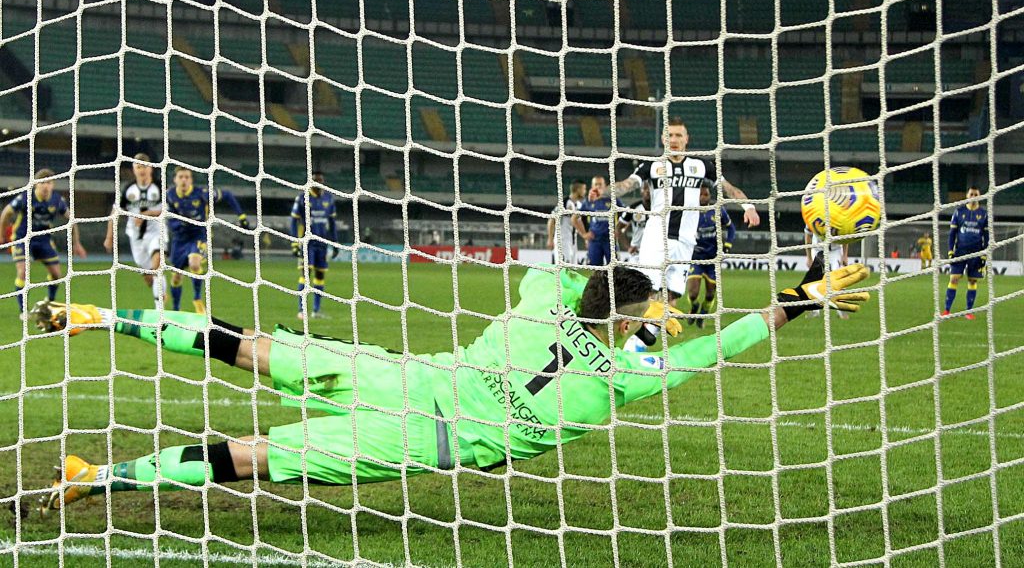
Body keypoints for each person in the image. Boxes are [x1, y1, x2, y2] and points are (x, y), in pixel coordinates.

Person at [24, 255, 868, 514]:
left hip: (406, 374)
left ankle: (103, 316)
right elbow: (727, 342)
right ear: (629, 321)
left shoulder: (542, 295)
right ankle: (98, 477)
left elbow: (575, 278)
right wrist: (801, 297)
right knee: (251, 456)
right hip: (418, 436)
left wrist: (630, 302)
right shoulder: (626, 375)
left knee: (248, 346)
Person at [605, 119, 759, 348]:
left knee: (672, 297)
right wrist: (606, 191)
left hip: (685, 242)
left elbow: (728, 188)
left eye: (678, 135)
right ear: (663, 139)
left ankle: (638, 344)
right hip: (656, 238)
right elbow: (627, 184)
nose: (674, 140)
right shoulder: (652, 166)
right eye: (669, 135)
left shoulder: (702, 166)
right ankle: (619, 334)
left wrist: (748, 206)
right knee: (647, 292)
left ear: (687, 139)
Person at [0, 169, 87, 316]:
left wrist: (76, 243)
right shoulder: (26, 197)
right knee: (23, 271)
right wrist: (1, 234)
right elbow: (6, 213)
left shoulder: (57, 200)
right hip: (22, 238)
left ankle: (49, 302)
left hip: (44, 240)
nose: (46, 186)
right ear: (36, 184)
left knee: (56, 274)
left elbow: (72, 220)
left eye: (49, 182)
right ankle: (23, 311)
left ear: (53, 185)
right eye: (42, 183)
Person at [165, 166, 249, 314]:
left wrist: (241, 216)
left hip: (198, 235)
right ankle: (176, 309)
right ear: (175, 180)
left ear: (191, 180)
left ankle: (197, 299)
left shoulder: (202, 194)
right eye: (180, 177)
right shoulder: (169, 195)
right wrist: (180, 224)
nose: (184, 180)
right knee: (176, 277)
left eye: (187, 177)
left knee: (194, 264)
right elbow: (169, 219)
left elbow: (227, 195)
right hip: (180, 239)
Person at [103, 154, 165, 309]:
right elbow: (115, 214)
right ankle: (159, 292)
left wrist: (147, 214)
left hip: (156, 232)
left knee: (157, 266)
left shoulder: (160, 187)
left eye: (144, 166)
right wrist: (109, 237)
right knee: (149, 277)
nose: (141, 170)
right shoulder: (128, 190)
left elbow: (167, 210)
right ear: (134, 170)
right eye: (138, 167)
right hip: (136, 237)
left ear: (150, 168)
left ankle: (160, 312)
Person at [291, 170, 339, 320]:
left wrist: (335, 242)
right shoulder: (302, 198)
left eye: (320, 180)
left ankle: (316, 310)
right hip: (307, 243)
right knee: (305, 274)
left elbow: (332, 223)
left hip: (322, 244)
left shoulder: (328, 199)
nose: (318, 183)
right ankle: (301, 310)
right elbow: (293, 221)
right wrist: (294, 242)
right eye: (315, 180)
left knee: (320, 275)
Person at [686, 185, 736, 329]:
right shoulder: (690, 211)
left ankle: (703, 314)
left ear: (709, 196)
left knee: (710, 294)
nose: (703, 197)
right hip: (696, 257)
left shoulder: (717, 210)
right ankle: (694, 306)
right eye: (700, 194)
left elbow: (731, 228)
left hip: (713, 259)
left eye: (706, 194)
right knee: (693, 293)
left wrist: (727, 245)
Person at [944, 187, 989, 319]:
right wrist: (950, 251)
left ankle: (968, 312)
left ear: (980, 196)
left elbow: (987, 236)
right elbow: (952, 234)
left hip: (976, 251)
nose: (973, 196)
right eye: (971, 194)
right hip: (960, 251)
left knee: (972, 280)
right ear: (967, 195)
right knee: (954, 278)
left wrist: (984, 254)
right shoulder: (959, 212)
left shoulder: (984, 214)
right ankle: (947, 310)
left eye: (976, 194)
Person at [573, 176, 624, 266]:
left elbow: (626, 214)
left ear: (605, 186)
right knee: (595, 269)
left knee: (615, 269)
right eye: (596, 184)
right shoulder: (588, 201)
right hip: (594, 240)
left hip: (610, 240)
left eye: (600, 184)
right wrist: (584, 234)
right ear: (592, 186)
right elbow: (574, 218)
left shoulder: (613, 199)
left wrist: (619, 230)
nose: (598, 186)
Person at [546, 180, 587, 265]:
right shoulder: (565, 202)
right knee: (563, 267)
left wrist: (585, 237)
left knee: (572, 268)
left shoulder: (579, 205)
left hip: (573, 241)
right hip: (563, 240)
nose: (585, 191)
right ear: (578, 189)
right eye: (584, 189)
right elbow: (552, 220)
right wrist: (550, 238)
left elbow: (579, 222)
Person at [616, 184, 651, 264]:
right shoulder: (632, 208)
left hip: (655, 249)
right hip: (636, 251)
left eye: (649, 189)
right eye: (645, 188)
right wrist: (628, 247)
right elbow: (618, 228)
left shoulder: (661, 209)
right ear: (641, 191)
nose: (647, 191)